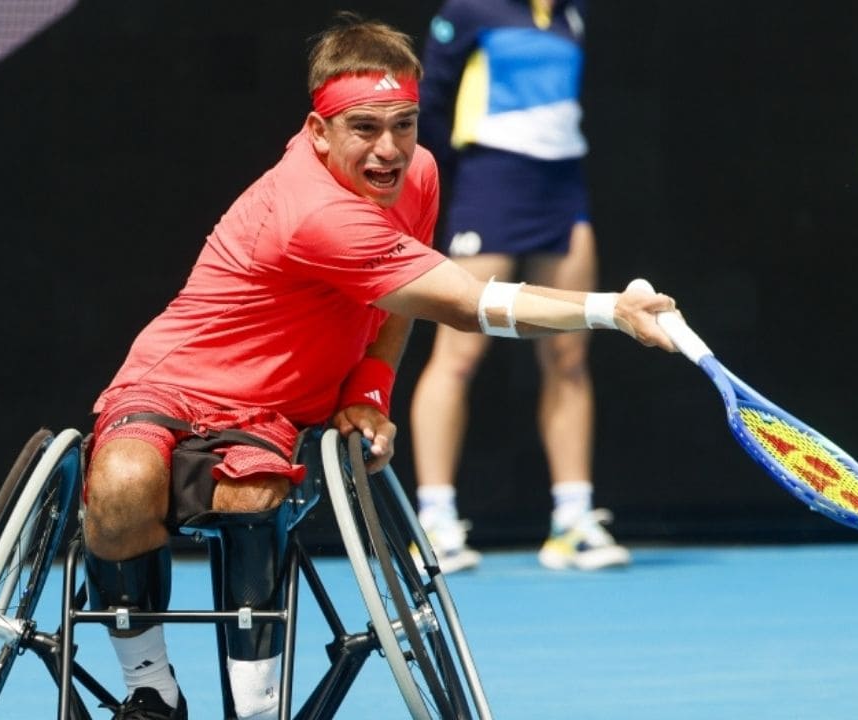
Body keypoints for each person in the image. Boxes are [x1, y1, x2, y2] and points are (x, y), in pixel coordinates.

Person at [81, 12, 678, 720]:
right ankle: (150, 690)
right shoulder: (314, 213)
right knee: (121, 488)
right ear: (317, 130)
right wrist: (612, 309)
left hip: (277, 410)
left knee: (251, 501)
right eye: (365, 127)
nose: (389, 149)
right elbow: (462, 302)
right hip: (171, 381)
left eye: (404, 124)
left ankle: (256, 709)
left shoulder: (416, 175)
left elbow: (404, 300)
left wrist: (370, 388)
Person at [408, 0, 624, 573]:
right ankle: (434, 520)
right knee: (457, 353)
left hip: (562, 184)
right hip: (492, 180)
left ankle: (572, 520)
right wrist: (459, 177)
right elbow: (429, 106)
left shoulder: (570, 16)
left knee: (571, 353)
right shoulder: (471, 10)